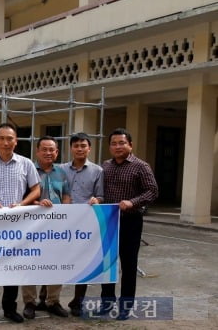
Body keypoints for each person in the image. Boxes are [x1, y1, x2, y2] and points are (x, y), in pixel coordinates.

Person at [0, 122, 40, 324]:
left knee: (12, 268)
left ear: (16, 141)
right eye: (2, 138)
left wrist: (21, 204)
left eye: (10, 138)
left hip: (16, 225)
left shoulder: (26, 164)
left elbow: (36, 190)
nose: (6, 142)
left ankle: (9, 308)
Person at [99, 128, 158, 320]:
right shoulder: (105, 166)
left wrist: (132, 202)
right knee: (107, 264)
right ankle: (106, 303)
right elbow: (100, 191)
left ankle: (125, 306)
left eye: (122, 143)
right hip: (108, 221)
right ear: (110, 147)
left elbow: (152, 191)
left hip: (130, 221)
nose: (117, 146)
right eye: (114, 143)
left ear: (130, 145)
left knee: (129, 264)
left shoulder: (141, 166)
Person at [22, 136, 71, 320]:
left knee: (56, 262)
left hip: (56, 226)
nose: (48, 153)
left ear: (57, 152)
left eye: (52, 150)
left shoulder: (62, 173)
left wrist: (65, 213)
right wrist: (37, 202)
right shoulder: (28, 170)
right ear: (37, 151)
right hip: (31, 226)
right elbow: (23, 197)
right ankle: (29, 302)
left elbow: (66, 195)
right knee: (30, 263)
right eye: (44, 149)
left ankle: (53, 301)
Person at [60, 132, 104, 316]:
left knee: (83, 262)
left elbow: (101, 195)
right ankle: (48, 297)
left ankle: (78, 301)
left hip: (85, 225)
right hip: (62, 224)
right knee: (56, 260)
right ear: (71, 148)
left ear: (89, 148)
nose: (79, 149)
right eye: (76, 145)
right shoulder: (60, 169)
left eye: (83, 145)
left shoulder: (97, 171)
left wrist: (97, 200)